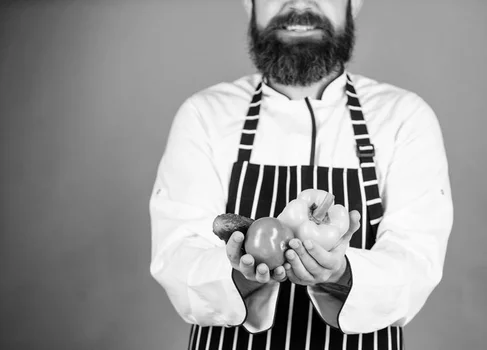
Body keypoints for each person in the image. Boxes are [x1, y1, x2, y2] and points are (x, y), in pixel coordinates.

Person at [149, 0, 454, 349]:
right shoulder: (205, 116)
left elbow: (416, 265)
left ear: (354, 4)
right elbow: (177, 262)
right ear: (248, 4)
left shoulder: (403, 118)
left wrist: (340, 274)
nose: (298, 3)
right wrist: (241, 274)